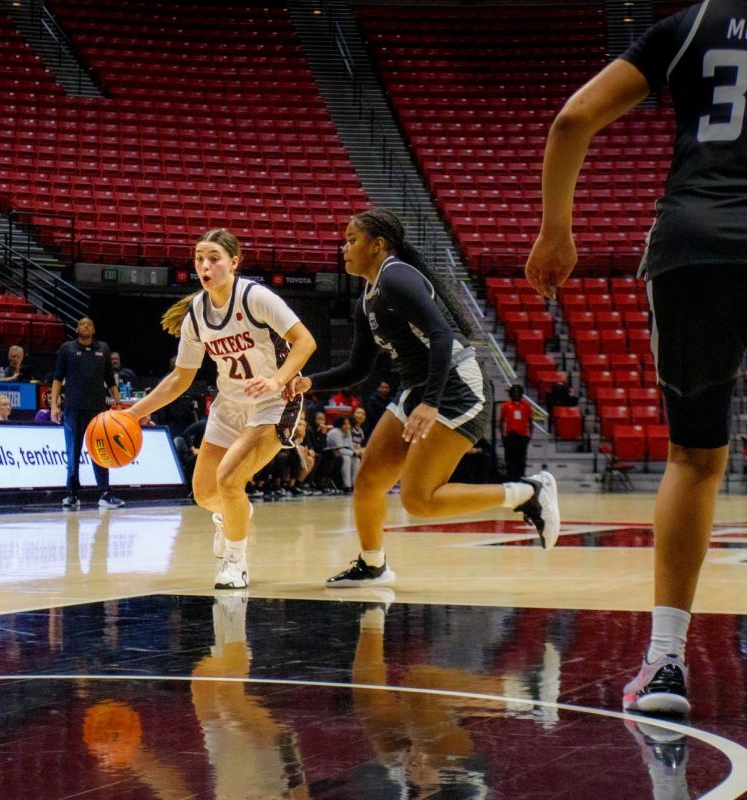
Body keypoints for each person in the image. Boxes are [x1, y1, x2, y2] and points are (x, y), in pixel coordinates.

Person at [525, 2, 747, 717]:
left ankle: (665, 666)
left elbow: (571, 121)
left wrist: (556, 232)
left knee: (694, 458)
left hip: (694, 244)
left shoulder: (694, 23)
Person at [288, 209, 559, 589]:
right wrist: (305, 383)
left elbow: (442, 334)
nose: (343, 247)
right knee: (369, 482)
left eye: (352, 240)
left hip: (455, 385)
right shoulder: (366, 297)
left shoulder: (396, 276)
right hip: (417, 388)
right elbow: (357, 367)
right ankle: (372, 565)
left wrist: (430, 403)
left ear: (378, 245)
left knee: (418, 499)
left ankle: (527, 492)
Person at [125, 229, 316, 589]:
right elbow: (180, 379)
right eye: (199, 258)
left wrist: (278, 380)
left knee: (229, 478)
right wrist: (132, 413)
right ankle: (232, 513)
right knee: (204, 493)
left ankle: (236, 562)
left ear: (234, 262)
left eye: (213, 257)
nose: (205, 265)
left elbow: (305, 341)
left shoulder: (255, 297)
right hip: (229, 405)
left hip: (274, 403)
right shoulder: (196, 314)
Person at [50, 317, 125, 509]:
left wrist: (117, 402)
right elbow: (58, 378)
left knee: (101, 452)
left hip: (97, 410)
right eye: (82, 324)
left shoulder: (103, 348)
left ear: (94, 329)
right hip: (73, 409)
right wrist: (54, 406)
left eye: (90, 324)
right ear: (76, 329)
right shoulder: (67, 348)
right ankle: (72, 494)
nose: (86, 326)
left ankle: (105, 494)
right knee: (73, 452)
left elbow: (110, 378)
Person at [499, 384, 533, 480]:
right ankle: (510, 478)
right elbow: (501, 421)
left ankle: (521, 477)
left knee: (521, 458)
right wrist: (503, 436)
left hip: (522, 436)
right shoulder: (506, 405)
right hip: (510, 435)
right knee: (510, 458)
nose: (516, 394)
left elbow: (530, 422)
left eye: (518, 393)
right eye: (514, 393)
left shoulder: (527, 406)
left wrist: (529, 436)